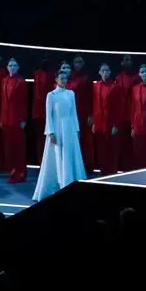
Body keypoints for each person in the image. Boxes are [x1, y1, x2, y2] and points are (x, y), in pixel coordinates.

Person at [32, 69, 87, 202]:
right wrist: (50, 132)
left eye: (65, 78)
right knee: (57, 156)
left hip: (70, 129)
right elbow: (49, 115)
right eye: (61, 78)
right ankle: (59, 184)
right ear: (56, 80)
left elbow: (73, 113)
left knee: (70, 155)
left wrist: (77, 129)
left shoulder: (71, 93)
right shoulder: (51, 95)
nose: (63, 80)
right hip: (57, 128)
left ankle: (70, 183)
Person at [0, 58, 28, 183]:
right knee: (9, 147)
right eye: (10, 65)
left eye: (15, 65)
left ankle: (21, 172)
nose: (12, 67)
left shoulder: (21, 81)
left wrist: (23, 119)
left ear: (18, 67)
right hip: (6, 119)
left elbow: (24, 102)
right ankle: (12, 171)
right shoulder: (4, 80)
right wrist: (1, 119)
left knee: (19, 147)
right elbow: (3, 101)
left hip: (17, 119)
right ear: (7, 67)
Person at [92, 63, 123, 175]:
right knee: (101, 149)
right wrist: (94, 122)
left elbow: (119, 107)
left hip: (110, 122)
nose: (105, 72)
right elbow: (94, 104)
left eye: (107, 70)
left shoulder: (115, 87)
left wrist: (116, 124)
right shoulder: (96, 85)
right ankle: (103, 172)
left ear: (110, 72)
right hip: (99, 121)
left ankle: (112, 172)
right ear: (99, 72)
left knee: (111, 148)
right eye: (103, 70)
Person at [68, 55, 94, 172]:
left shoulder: (87, 77)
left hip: (84, 113)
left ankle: (88, 165)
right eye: (76, 62)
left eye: (80, 62)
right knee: (74, 139)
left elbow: (91, 97)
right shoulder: (69, 77)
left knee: (86, 139)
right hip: (71, 113)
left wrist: (91, 114)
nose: (78, 64)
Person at [115, 55, 140, 170]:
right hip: (121, 114)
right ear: (121, 63)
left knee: (133, 143)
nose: (127, 62)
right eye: (125, 60)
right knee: (122, 143)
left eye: (129, 60)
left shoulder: (137, 77)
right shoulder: (118, 78)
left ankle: (133, 167)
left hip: (133, 114)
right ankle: (124, 167)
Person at [31, 57, 55, 159]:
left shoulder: (53, 74)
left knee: (50, 137)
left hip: (50, 110)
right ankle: (41, 161)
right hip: (38, 111)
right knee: (40, 138)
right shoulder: (36, 74)